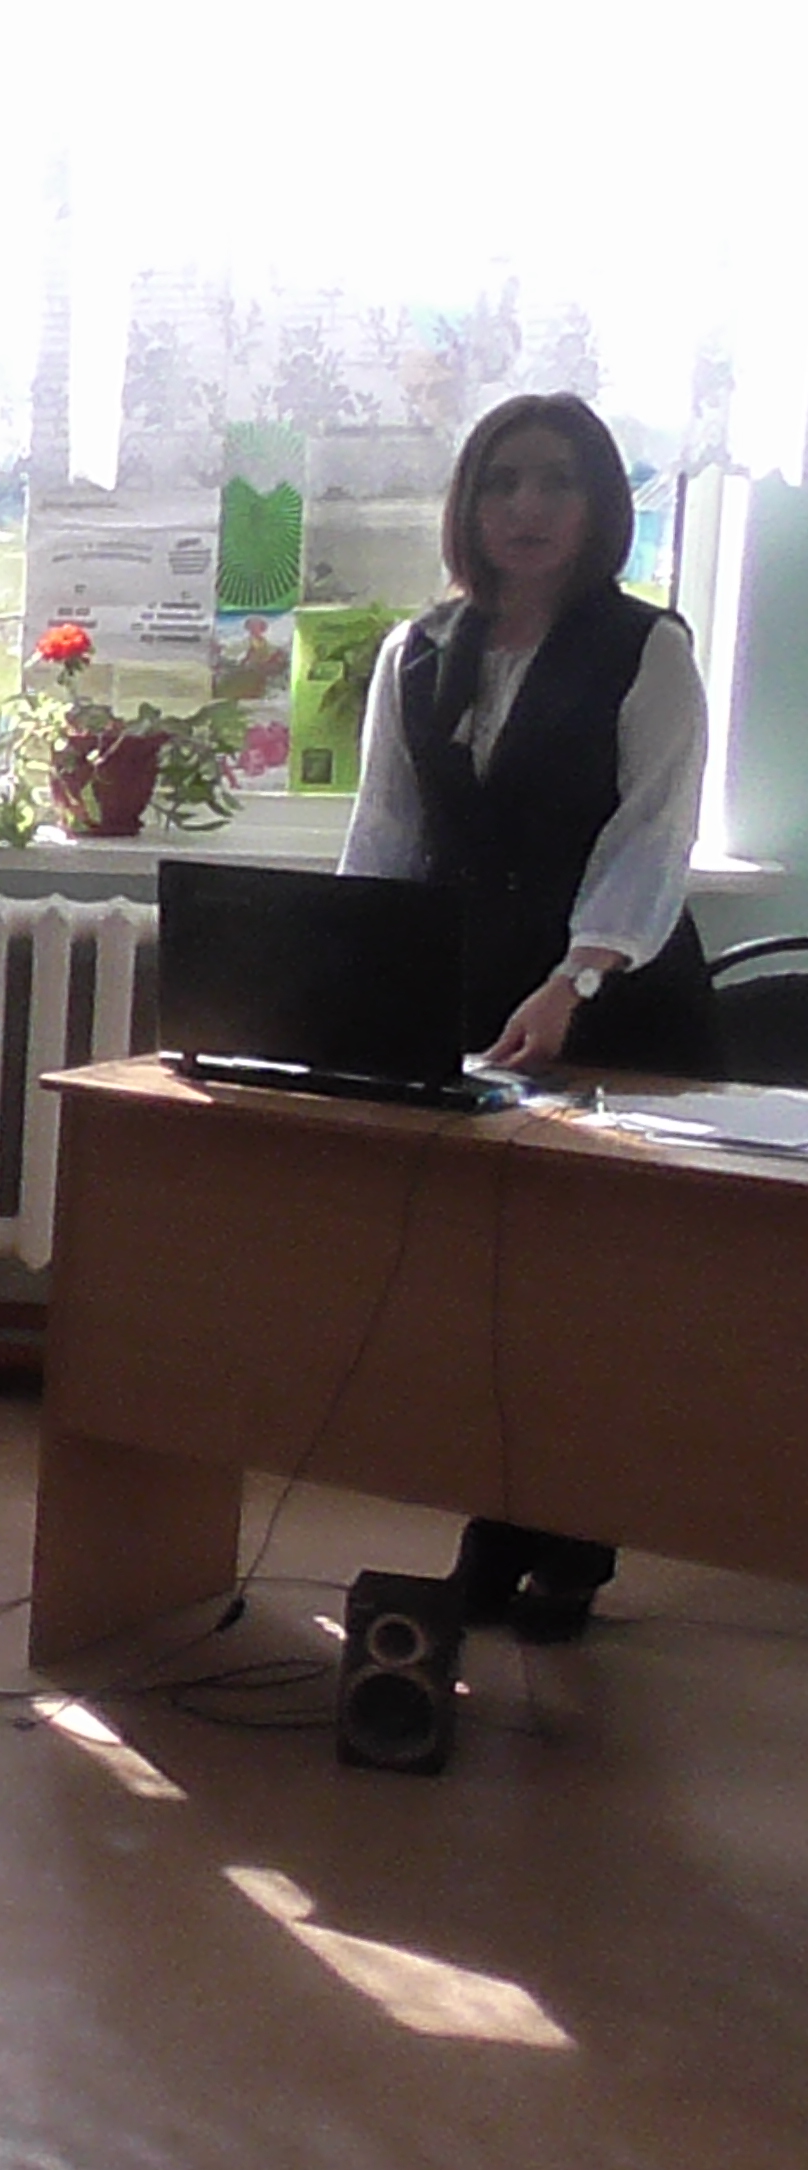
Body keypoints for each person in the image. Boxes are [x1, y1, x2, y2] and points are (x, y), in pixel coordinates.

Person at [341, 391, 719, 1643]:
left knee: (592, 1299)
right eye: (501, 481)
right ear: (469, 504)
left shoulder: (644, 647)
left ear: (598, 503)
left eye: (555, 481)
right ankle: (494, 1531)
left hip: (617, 1000)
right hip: (471, 999)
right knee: (485, 1289)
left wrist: (574, 978)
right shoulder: (417, 650)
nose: (525, 507)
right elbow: (386, 834)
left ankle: (570, 1546)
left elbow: (650, 835)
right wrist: (355, 981)